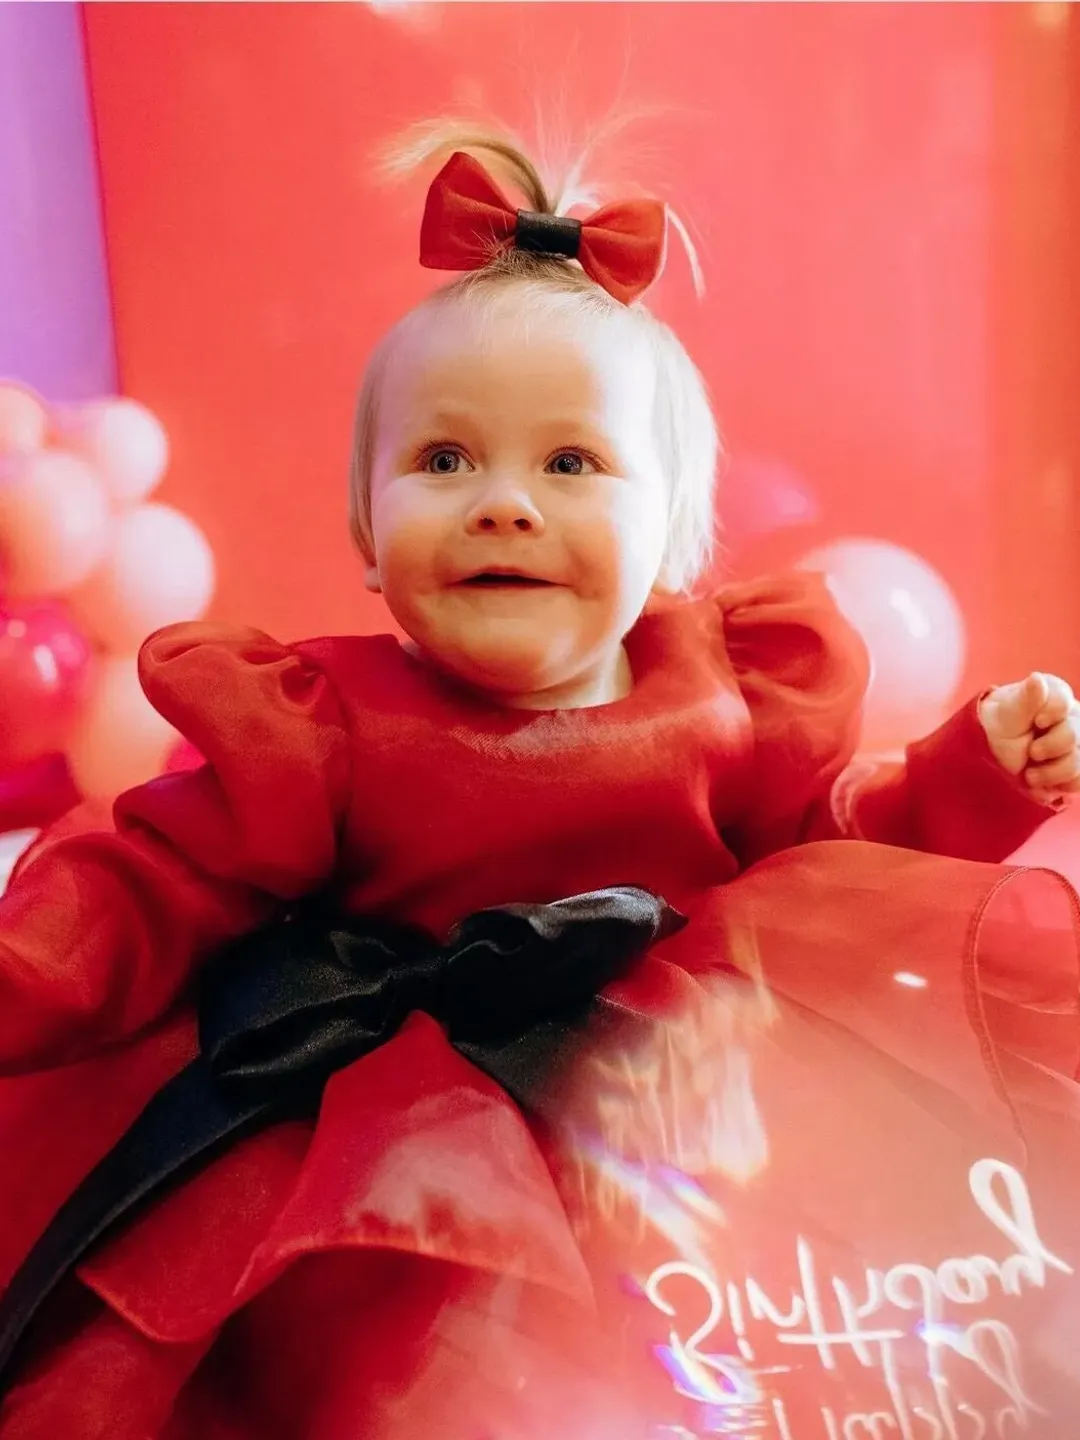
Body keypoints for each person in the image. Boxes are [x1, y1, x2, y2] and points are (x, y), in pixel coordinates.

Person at [0, 124, 1077, 1440]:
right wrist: (31, 969)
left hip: (682, 1104)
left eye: (570, 464)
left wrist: (975, 778)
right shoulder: (323, 720)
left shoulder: (727, 696)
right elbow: (151, 878)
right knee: (389, 1387)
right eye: (444, 461)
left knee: (785, 1327)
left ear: (673, 531)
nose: (502, 503)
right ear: (364, 532)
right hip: (402, 1163)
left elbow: (841, 851)